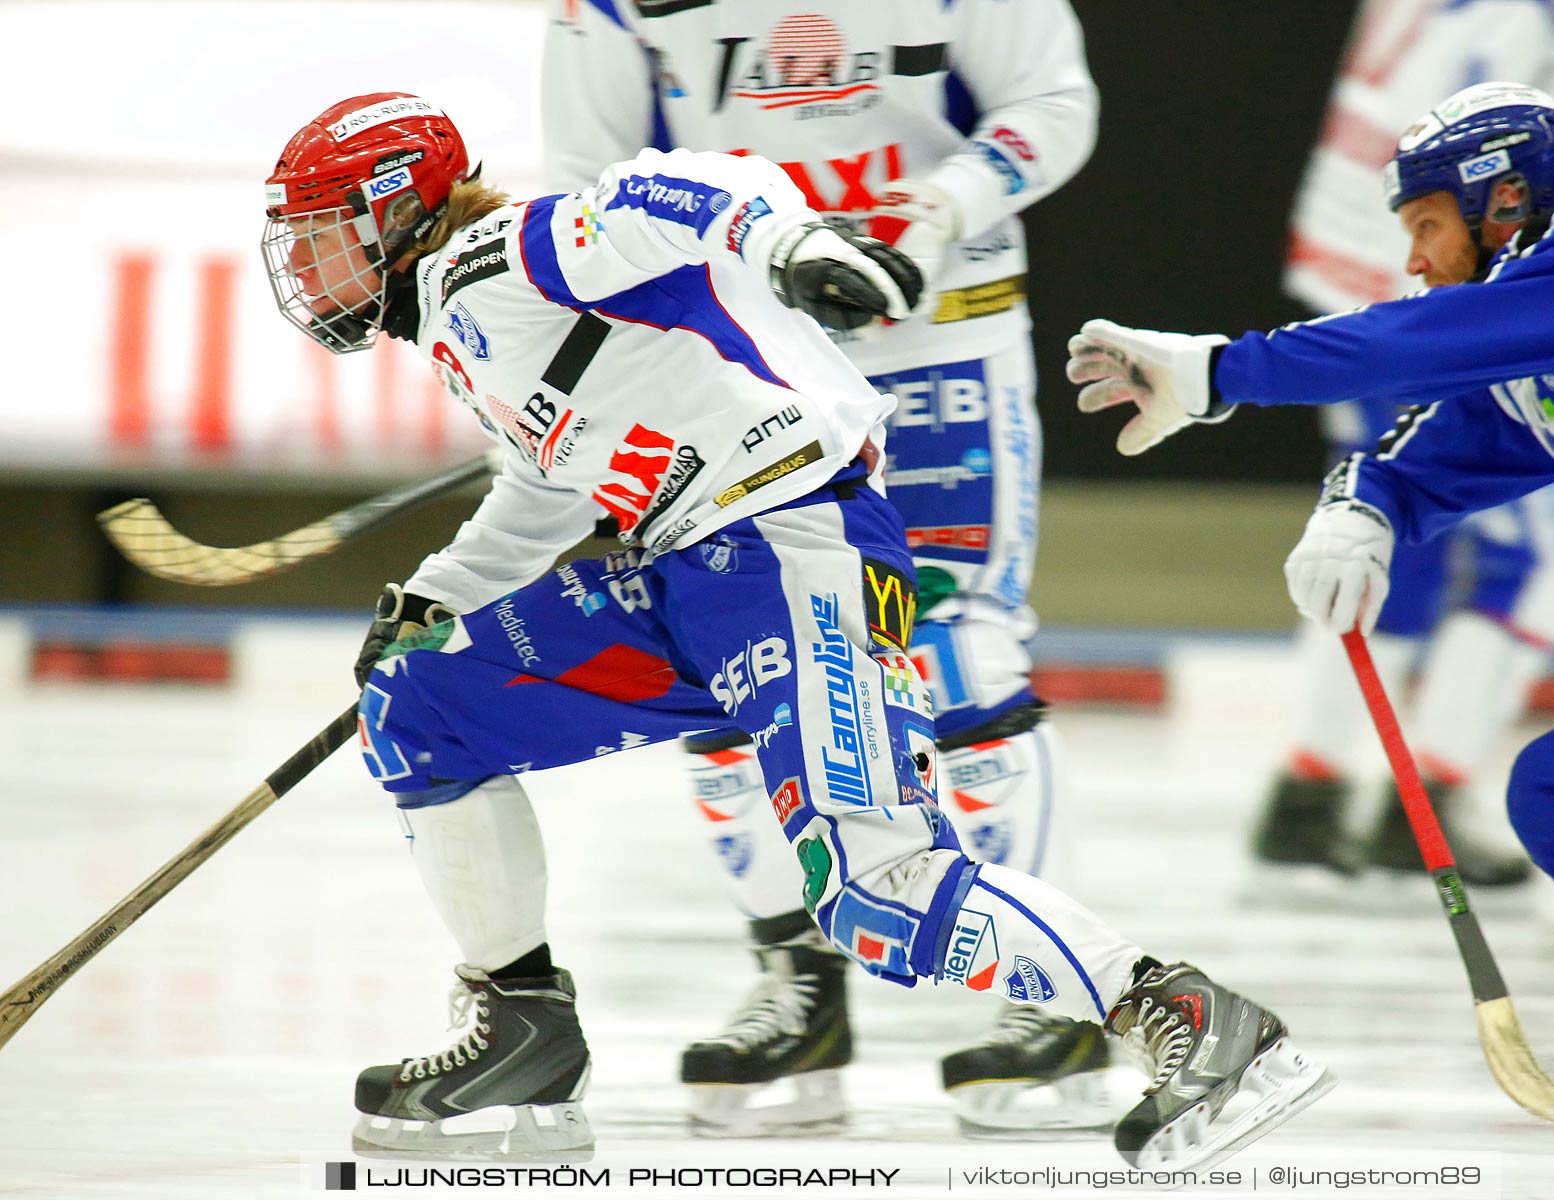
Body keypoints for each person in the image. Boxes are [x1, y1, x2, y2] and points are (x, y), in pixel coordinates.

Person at [260, 92, 1333, 1163]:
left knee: (879, 893)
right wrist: (438, 596)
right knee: (424, 703)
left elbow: (696, 187)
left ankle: (1185, 1015)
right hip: (687, 576)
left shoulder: (506, 251)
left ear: (399, 211)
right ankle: (523, 1024)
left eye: (324, 236)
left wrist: (791, 243)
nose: (310, 271)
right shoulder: (465, 323)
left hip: (794, 543)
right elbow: (550, 488)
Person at [1069, 81, 1554, 1132]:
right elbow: (1431, 450)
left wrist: (1222, 372)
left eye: (1426, 226)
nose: (1414, 258)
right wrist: (1359, 514)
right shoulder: (1543, 362)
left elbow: (1414, 341)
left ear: (1507, 204)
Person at [540, 0, 1105, 1134]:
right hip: (735, 370)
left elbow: (1054, 102)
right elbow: (581, 182)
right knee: (722, 659)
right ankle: (800, 983)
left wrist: (938, 217)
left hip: (941, 333)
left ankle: (1050, 1004)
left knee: (956, 639)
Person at [1258, 0, 1554, 892]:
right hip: (1430, 296)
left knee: (1394, 539)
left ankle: (1307, 792)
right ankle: (1425, 800)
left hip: (1350, 271)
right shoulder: (1526, 20)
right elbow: (1489, 193)